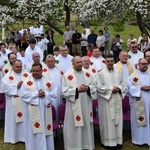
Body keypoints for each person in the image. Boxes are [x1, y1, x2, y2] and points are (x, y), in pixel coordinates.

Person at [20, 63, 57, 150]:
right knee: (34, 131)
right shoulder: (26, 83)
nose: (35, 73)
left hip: (45, 111)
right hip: (32, 113)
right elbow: (23, 94)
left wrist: (45, 94)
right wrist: (36, 94)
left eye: (37, 71)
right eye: (33, 71)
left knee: (45, 130)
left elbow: (54, 93)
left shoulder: (48, 82)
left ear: (41, 71)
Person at [62, 56, 97, 150]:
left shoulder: (88, 74)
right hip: (74, 106)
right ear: (72, 64)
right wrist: (76, 89)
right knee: (74, 125)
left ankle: (87, 145)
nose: (80, 64)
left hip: (86, 104)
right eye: (77, 62)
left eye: (81, 62)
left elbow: (94, 86)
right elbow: (64, 92)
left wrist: (88, 88)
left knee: (86, 123)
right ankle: (74, 146)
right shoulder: (66, 76)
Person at [95, 54, 127, 148]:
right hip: (106, 101)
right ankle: (107, 142)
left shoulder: (119, 72)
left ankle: (118, 141)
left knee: (117, 120)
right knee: (107, 121)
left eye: (111, 61)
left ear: (114, 61)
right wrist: (110, 89)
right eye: (108, 61)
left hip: (117, 99)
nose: (110, 63)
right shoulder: (100, 74)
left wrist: (119, 88)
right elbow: (98, 87)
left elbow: (124, 84)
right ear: (104, 62)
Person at [1, 59, 29, 143]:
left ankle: (24, 137)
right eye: (17, 66)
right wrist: (16, 86)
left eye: (20, 66)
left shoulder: (27, 75)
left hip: (24, 101)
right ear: (12, 66)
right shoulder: (6, 77)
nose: (19, 68)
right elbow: (5, 89)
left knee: (24, 119)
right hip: (12, 102)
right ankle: (14, 138)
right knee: (13, 120)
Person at [127, 58, 150, 145]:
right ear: (138, 65)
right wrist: (140, 88)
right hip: (138, 102)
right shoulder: (132, 77)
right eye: (143, 64)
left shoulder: (149, 74)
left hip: (149, 100)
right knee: (140, 120)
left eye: (146, 64)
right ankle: (139, 140)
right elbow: (128, 89)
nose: (145, 65)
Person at [44, 54, 62, 121]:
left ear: (54, 61)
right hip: (49, 94)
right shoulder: (43, 71)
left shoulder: (59, 70)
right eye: (48, 61)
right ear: (46, 62)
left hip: (59, 93)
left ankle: (59, 124)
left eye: (51, 61)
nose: (50, 62)